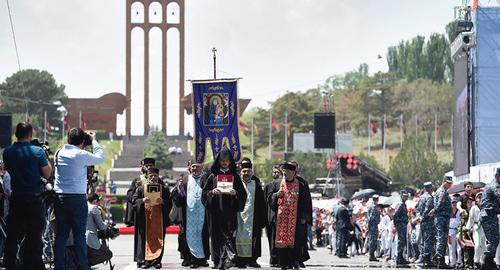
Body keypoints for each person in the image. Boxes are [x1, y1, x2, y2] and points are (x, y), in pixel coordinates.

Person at [2, 122, 52, 270]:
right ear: (30, 134)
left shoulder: (7, 152)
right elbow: (47, 173)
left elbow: (9, 170)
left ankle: (9, 263)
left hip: (16, 199)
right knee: (34, 236)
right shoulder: (37, 152)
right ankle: (33, 265)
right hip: (34, 199)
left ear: (16, 134)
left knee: (12, 236)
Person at [53, 128, 104, 270]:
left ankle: (59, 266)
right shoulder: (81, 154)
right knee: (79, 235)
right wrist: (93, 140)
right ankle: (82, 266)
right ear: (82, 141)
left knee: (61, 235)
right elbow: (100, 157)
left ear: (68, 139)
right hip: (77, 198)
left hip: (60, 197)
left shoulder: (59, 153)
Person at [202, 147, 247, 269]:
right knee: (216, 237)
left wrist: (236, 193)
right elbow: (204, 194)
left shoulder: (235, 177)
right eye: (222, 160)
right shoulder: (213, 177)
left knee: (230, 235)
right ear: (218, 161)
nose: (225, 163)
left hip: (230, 213)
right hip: (216, 212)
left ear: (230, 162)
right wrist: (212, 192)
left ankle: (229, 258)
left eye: (227, 161)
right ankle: (218, 262)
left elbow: (243, 194)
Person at [268, 162, 311, 270]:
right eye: (284, 172)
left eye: (287, 172)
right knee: (282, 242)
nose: (285, 174)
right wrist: (276, 195)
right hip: (281, 219)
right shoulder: (277, 184)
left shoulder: (301, 185)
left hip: (296, 219)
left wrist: (304, 217)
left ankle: (295, 261)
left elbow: (306, 202)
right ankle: (283, 263)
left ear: (293, 172)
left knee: (296, 241)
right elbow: (269, 199)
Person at [170, 160, 210, 268]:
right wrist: (179, 189)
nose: (195, 169)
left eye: (197, 166)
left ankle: (202, 259)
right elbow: (178, 200)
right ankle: (191, 259)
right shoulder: (185, 180)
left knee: (203, 236)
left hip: (203, 215)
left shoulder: (206, 179)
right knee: (188, 236)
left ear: (201, 167)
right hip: (188, 215)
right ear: (190, 167)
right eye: (193, 167)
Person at [132, 167, 172, 269]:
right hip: (145, 220)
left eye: (155, 175)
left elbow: (170, 203)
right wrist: (142, 201)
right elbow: (134, 201)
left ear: (158, 176)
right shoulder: (141, 189)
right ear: (147, 176)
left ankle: (157, 261)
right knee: (146, 240)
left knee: (159, 239)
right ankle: (146, 261)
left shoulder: (164, 189)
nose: (153, 177)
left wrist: (163, 202)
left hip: (160, 220)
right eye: (151, 176)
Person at [234, 159, 266, 268]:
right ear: (240, 172)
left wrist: (262, 219)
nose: (246, 173)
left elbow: (262, 203)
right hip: (238, 216)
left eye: (248, 171)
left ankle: (253, 260)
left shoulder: (256, 185)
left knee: (255, 239)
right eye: (244, 171)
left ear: (251, 172)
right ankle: (239, 260)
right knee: (237, 237)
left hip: (253, 218)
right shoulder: (236, 184)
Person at [479, 168, 500, 270]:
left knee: (493, 239)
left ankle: (489, 261)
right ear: (497, 176)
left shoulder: (491, 185)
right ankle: (486, 260)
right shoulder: (495, 186)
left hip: (488, 215)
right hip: (489, 215)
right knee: (494, 240)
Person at [125, 158, 156, 227]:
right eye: (147, 166)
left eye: (151, 166)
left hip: (155, 212)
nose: (149, 168)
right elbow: (130, 195)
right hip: (141, 212)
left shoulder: (158, 180)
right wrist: (140, 197)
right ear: (143, 167)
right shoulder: (137, 180)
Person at [86, 193, 113, 267]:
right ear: (95, 201)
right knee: (107, 254)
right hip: (90, 238)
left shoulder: (83, 206)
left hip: (80, 238)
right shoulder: (93, 208)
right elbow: (101, 226)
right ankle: (87, 264)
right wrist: (107, 224)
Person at [263, 165, 282, 267]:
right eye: (274, 172)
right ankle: (273, 259)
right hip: (271, 217)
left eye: (277, 172)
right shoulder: (268, 186)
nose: (275, 174)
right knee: (272, 239)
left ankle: (280, 259)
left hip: (281, 217)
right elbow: (266, 201)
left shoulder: (284, 185)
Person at [433, 176, 453, 269]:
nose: (449, 185)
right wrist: (435, 210)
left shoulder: (442, 191)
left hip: (442, 217)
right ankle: (440, 261)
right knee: (442, 239)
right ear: (443, 182)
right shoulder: (442, 192)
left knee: (441, 238)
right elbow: (439, 204)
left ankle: (439, 259)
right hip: (442, 218)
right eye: (448, 183)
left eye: (450, 183)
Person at [416, 181, 435, 268]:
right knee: (428, 240)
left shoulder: (421, 197)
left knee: (424, 240)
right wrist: (423, 217)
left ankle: (424, 257)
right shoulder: (429, 198)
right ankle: (427, 259)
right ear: (430, 188)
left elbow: (418, 209)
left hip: (423, 222)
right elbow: (427, 210)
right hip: (428, 221)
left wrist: (420, 218)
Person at [466, 192, 484, 268]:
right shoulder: (474, 208)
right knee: (477, 245)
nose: (480, 199)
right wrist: (468, 227)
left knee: (484, 246)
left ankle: (482, 262)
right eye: (479, 197)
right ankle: (476, 260)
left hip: (485, 228)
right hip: (477, 228)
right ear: (476, 199)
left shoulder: (486, 207)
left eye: (482, 197)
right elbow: (471, 218)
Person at [393, 190, 409, 265]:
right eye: (404, 196)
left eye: (407, 196)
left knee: (403, 241)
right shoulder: (400, 204)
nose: (406, 197)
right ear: (401, 196)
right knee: (401, 241)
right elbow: (395, 216)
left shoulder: (403, 204)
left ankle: (401, 257)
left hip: (403, 225)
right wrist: (398, 223)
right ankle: (399, 258)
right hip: (401, 226)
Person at [448, 195, 462, 268]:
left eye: (455, 202)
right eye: (453, 202)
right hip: (450, 231)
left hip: (458, 230)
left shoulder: (460, 211)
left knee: (459, 247)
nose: (454, 204)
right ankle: (452, 262)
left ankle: (459, 262)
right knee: (451, 247)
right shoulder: (448, 211)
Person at [367, 194, 381, 261]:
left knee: (372, 240)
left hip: (372, 225)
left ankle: (371, 255)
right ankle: (371, 255)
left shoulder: (370, 206)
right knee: (373, 240)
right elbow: (371, 217)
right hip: (373, 225)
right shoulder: (374, 207)